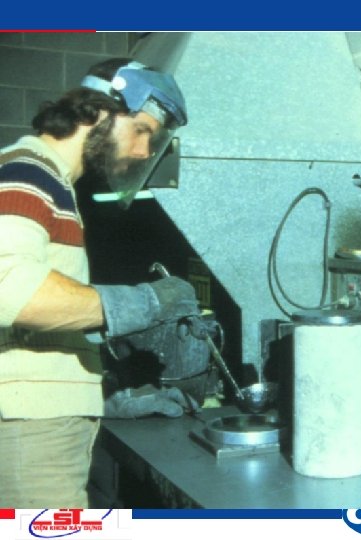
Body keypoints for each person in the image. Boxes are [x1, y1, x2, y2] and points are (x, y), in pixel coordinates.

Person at [0, 58, 200, 508]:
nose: (145, 151)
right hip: (29, 432)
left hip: (40, 420)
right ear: (99, 112)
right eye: (142, 130)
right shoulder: (26, 173)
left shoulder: (50, 181)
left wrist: (103, 396)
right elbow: (11, 290)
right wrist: (147, 303)